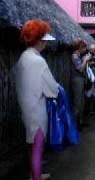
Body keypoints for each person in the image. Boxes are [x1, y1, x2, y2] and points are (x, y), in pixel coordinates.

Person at [15, 19, 59, 180]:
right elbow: (52, 90)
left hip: (26, 109)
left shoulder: (22, 58)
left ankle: (34, 174)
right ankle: (36, 177)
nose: (45, 44)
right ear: (39, 40)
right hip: (37, 111)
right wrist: (56, 89)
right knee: (37, 149)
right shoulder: (38, 61)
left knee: (31, 144)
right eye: (44, 40)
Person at [71, 39, 91, 130]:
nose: (85, 50)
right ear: (79, 48)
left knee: (82, 101)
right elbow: (80, 69)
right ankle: (74, 125)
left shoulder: (79, 55)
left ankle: (80, 121)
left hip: (81, 79)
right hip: (77, 80)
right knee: (77, 102)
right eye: (83, 48)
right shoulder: (74, 56)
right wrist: (85, 60)